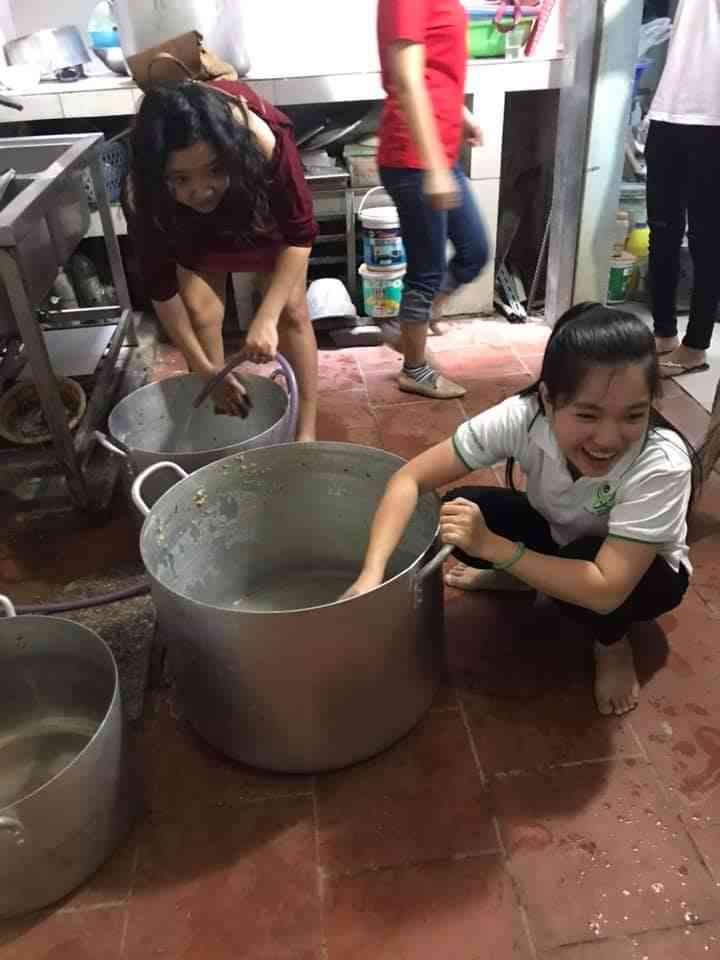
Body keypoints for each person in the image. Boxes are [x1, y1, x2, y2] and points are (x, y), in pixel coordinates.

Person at [343, 304, 700, 716]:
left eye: (633, 415)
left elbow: (606, 590)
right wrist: (370, 575)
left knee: (587, 580)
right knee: (459, 511)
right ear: (548, 399)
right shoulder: (524, 417)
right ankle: (522, 578)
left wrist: (495, 549)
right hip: (558, 531)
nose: (608, 438)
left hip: (641, 576)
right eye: (587, 414)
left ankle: (612, 644)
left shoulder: (662, 463)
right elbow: (409, 479)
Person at [124, 79, 319, 438]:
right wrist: (204, 370)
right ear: (158, 174)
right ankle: (218, 426)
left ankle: (306, 434)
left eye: (214, 169)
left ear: (229, 153)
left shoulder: (263, 143)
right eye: (181, 178)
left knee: (291, 311)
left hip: (255, 205)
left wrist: (266, 317)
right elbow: (160, 288)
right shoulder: (143, 193)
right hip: (188, 224)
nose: (201, 191)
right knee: (199, 312)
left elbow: (300, 235)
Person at [377, 0, 490, 400]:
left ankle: (409, 326)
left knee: (474, 252)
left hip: (438, 153)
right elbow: (407, 78)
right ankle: (414, 369)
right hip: (414, 158)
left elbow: (433, 68)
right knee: (426, 271)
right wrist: (435, 169)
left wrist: (461, 114)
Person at [646, 0, 720, 378]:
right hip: (668, 108)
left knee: (707, 239)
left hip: (713, 118)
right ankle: (663, 333)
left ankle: (696, 345)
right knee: (661, 231)